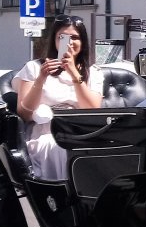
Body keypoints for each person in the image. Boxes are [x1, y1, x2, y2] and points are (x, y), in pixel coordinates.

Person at [12, 14, 106, 181]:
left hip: (81, 132)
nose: (69, 43)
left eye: (75, 38)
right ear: (55, 41)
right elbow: (24, 113)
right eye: (63, 37)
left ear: (82, 42)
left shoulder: (94, 73)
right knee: (61, 149)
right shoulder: (34, 68)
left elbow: (91, 110)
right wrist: (41, 78)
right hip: (45, 132)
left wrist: (74, 72)